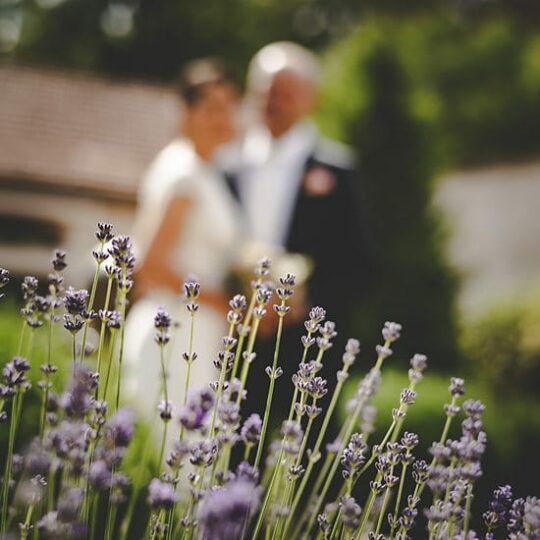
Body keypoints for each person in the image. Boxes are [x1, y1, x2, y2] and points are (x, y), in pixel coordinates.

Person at [218, 42, 368, 424]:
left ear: (310, 98)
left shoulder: (338, 170)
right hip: (232, 341)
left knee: (302, 463)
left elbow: (358, 259)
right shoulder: (224, 165)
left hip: (308, 348)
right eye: (265, 91)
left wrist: (304, 303)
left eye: (284, 92)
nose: (273, 101)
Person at [124, 60, 243, 428]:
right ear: (186, 111)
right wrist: (221, 302)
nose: (221, 118)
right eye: (210, 108)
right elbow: (152, 265)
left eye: (228, 108)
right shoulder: (183, 172)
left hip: (199, 331)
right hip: (175, 331)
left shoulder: (206, 171)